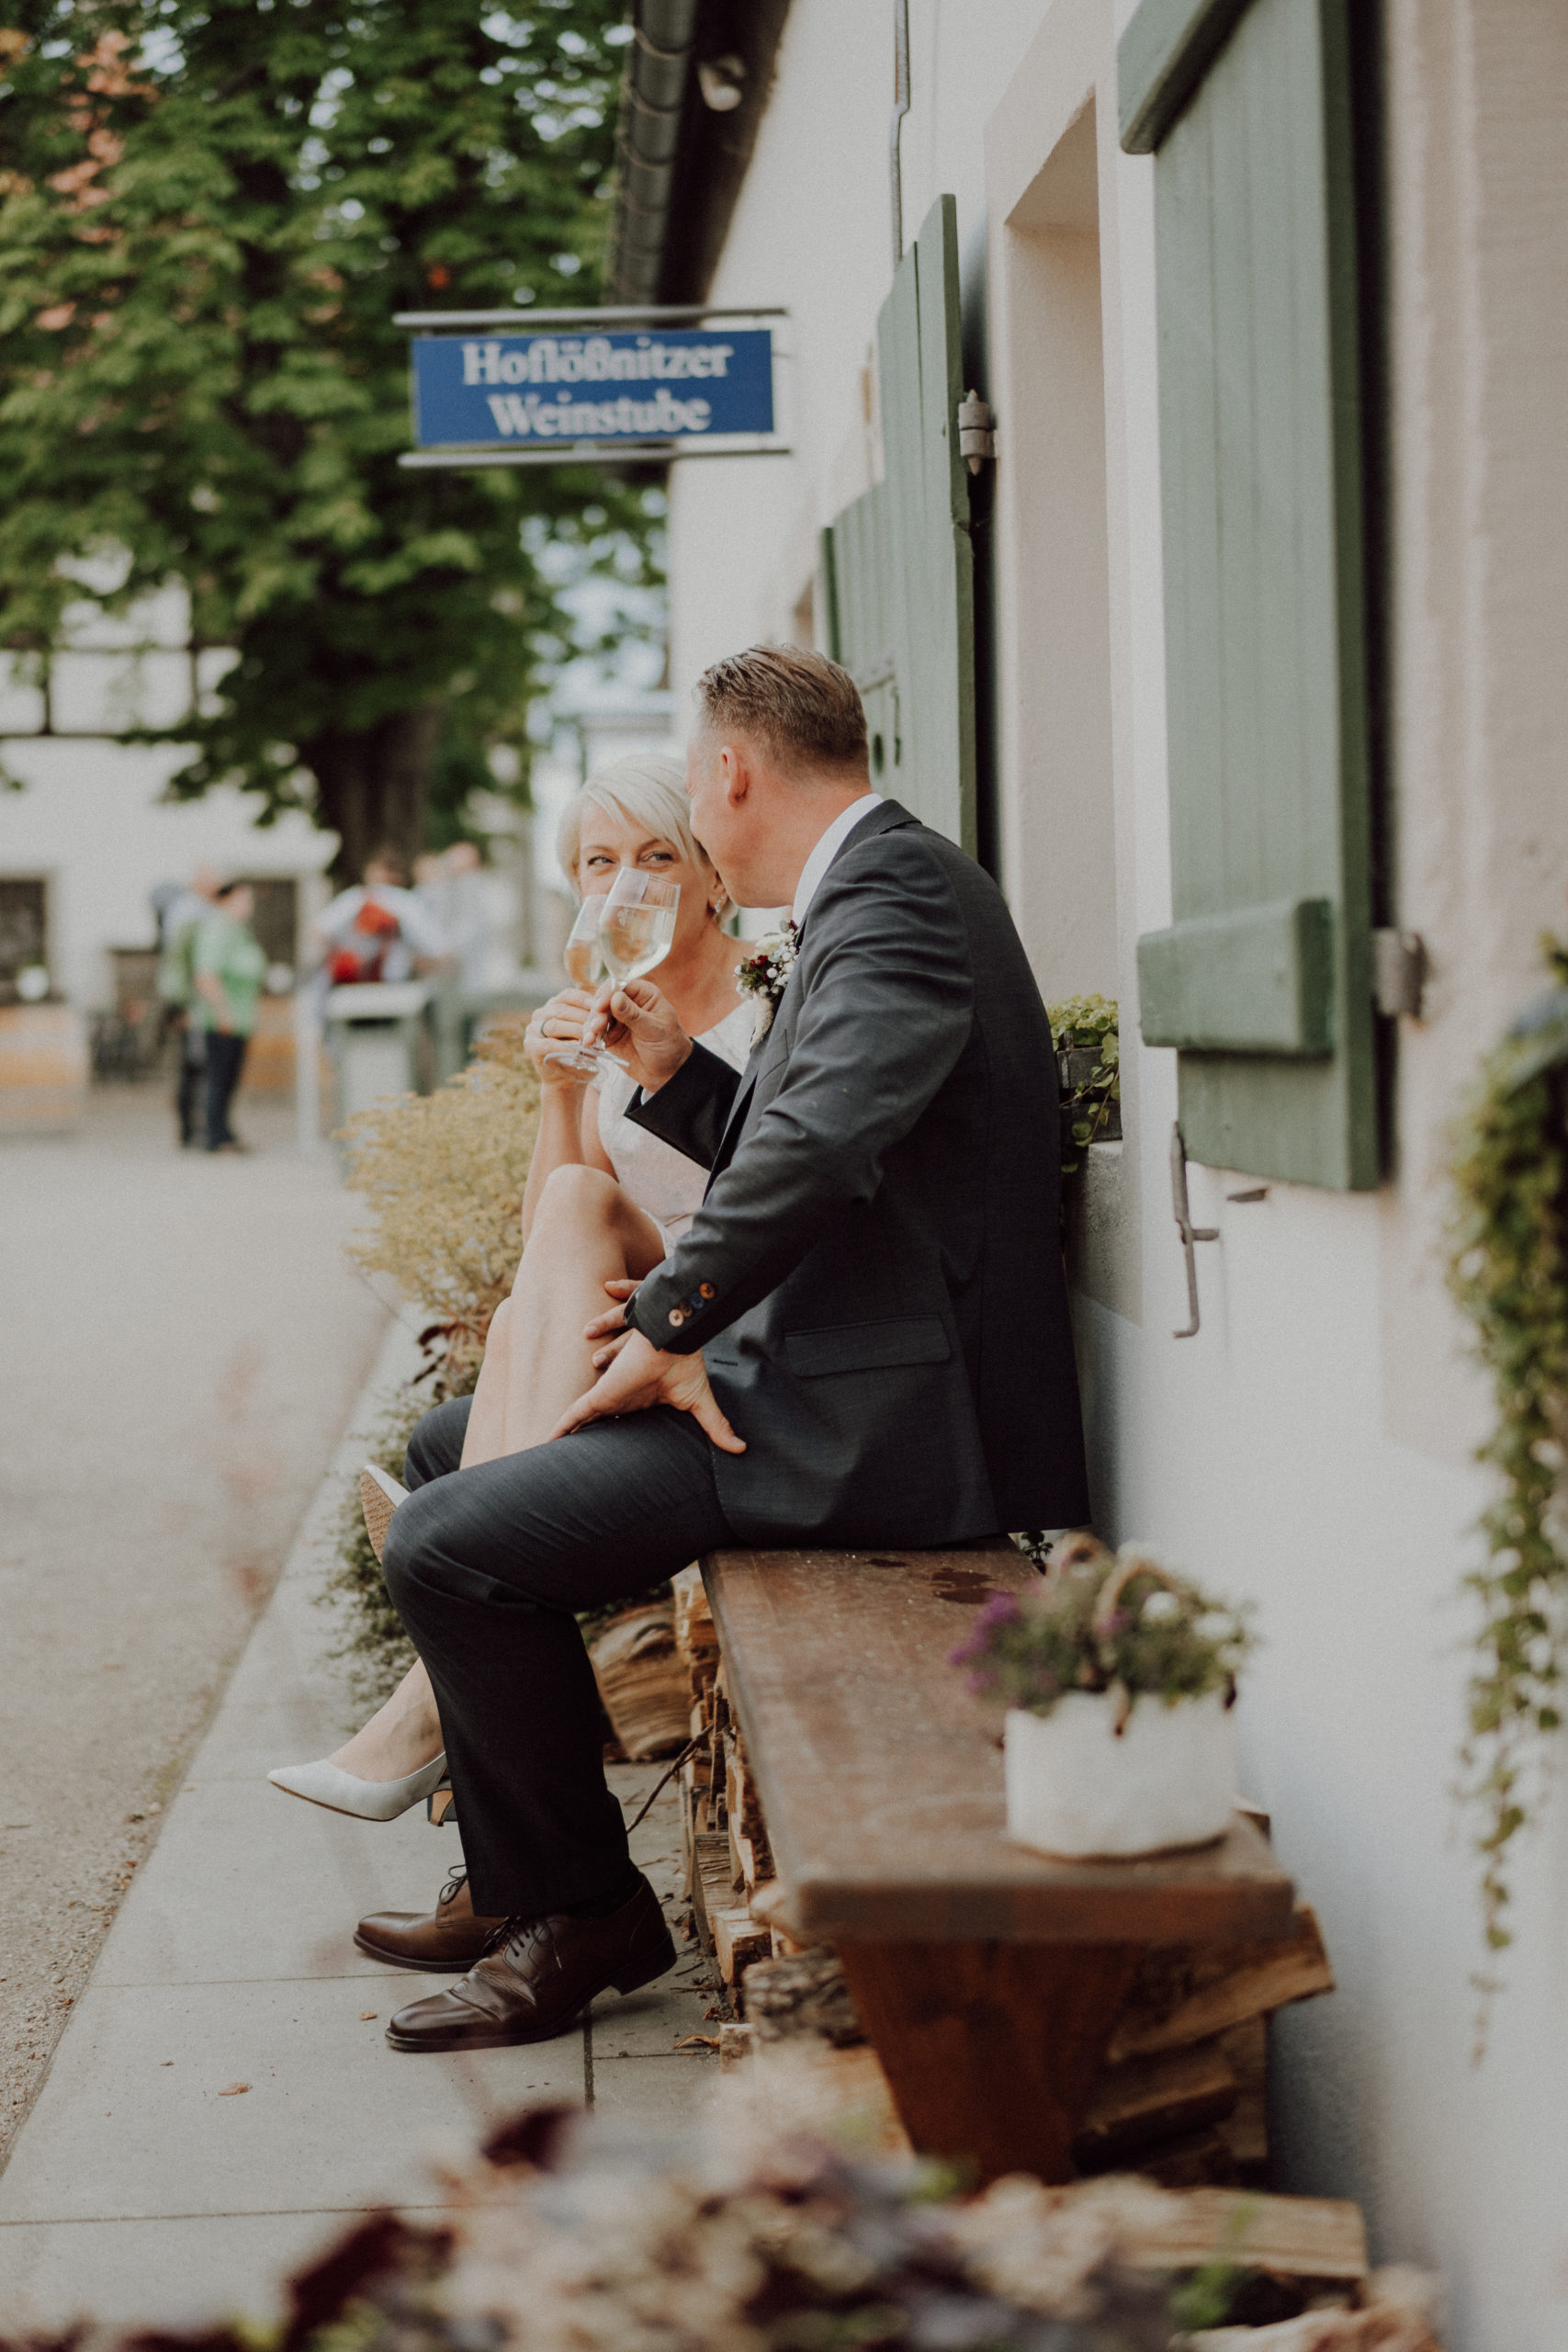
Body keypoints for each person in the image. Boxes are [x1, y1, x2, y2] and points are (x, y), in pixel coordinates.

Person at [344, 646, 1090, 2056]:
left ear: (730, 775)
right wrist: (674, 1077)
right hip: (828, 1376)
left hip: (865, 1427)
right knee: (452, 1453)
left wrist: (666, 1321)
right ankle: (512, 1872)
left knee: (448, 1544)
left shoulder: (894, 903)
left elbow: (815, 1153)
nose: (695, 808)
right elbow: (802, 1138)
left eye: (693, 784)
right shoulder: (880, 891)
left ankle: (574, 1913)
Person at [266, 754, 750, 1871]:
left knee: (452, 1500)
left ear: (711, 872)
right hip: (637, 1316)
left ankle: (448, 1740)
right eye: (598, 863)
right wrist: (563, 1089)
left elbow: (768, 1200)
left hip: (719, 1329)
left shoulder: (768, 1004)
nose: (625, 885)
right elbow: (555, 1234)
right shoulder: (619, 1005)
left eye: (654, 857)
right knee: (452, 1433)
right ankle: (501, 1852)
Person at [192, 880, 267, 1154]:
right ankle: (215, 1136)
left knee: (231, 1078)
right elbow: (206, 975)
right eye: (243, 900)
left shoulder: (238, 931)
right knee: (219, 1078)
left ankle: (226, 1132)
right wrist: (224, 1013)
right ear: (226, 900)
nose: (249, 906)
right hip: (223, 1019)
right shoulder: (217, 929)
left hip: (240, 1018)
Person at [153, 863, 221, 1147]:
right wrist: (186, 1003)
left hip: (188, 997)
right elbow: (185, 962)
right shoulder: (190, 913)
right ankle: (192, 1128)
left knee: (193, 1064)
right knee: (194, 1063)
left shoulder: (192, 911)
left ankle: (193, 1127)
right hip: (190, 999)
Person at [314, 847, 448, 989]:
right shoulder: (406, 902)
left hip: (352, 978)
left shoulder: (356, 897)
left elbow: (318, 931)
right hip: (393, 979)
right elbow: (436, 946)